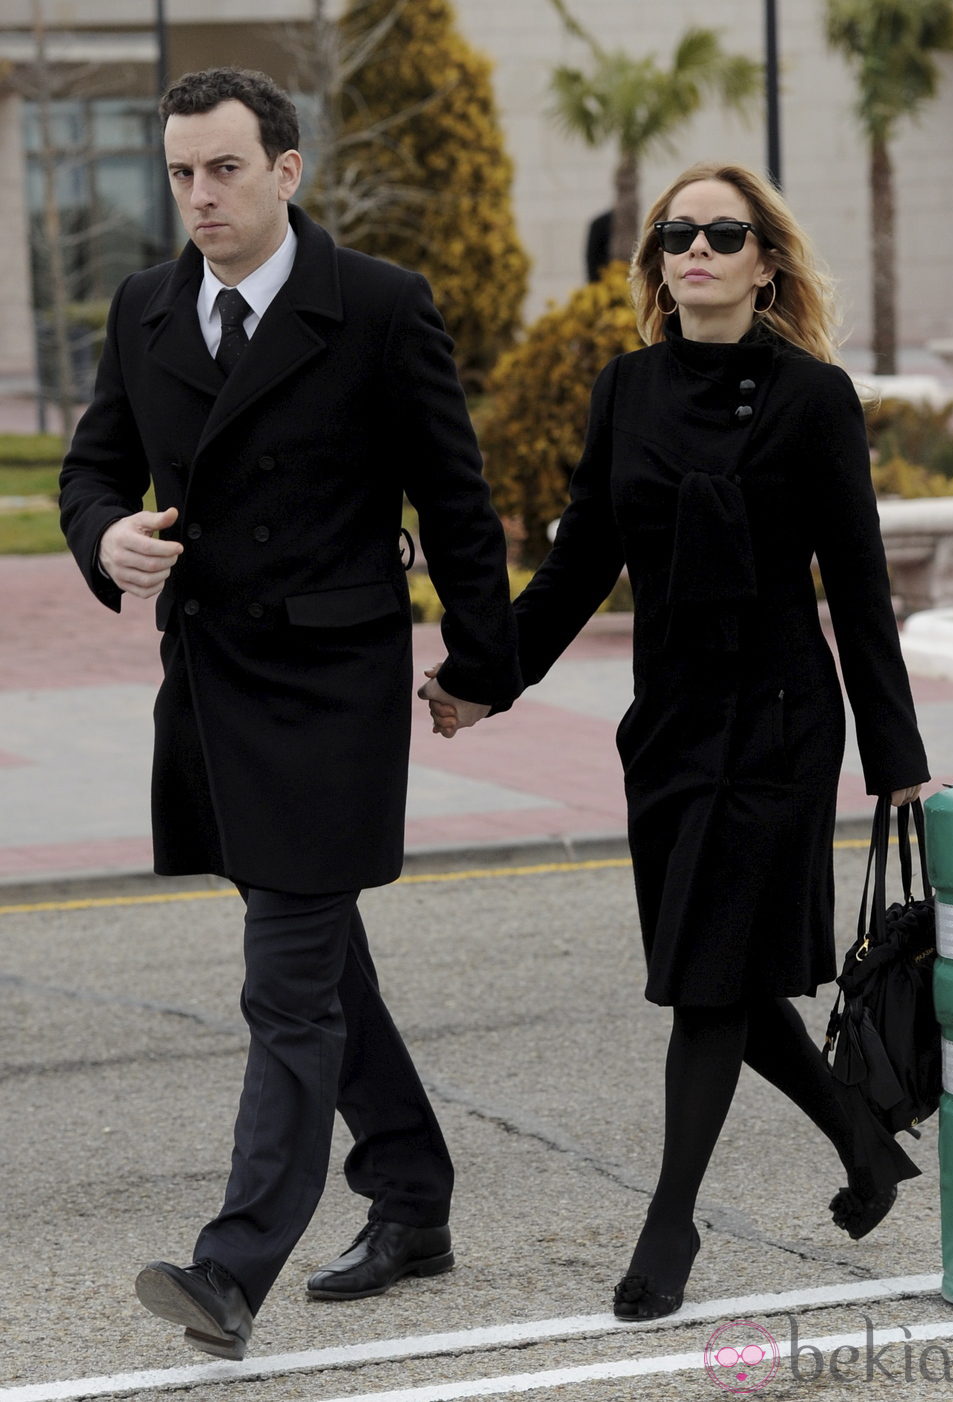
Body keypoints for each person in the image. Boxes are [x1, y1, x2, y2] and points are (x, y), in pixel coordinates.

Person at [59, 66, 519, 1362]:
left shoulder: (377, 308)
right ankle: (415, 1195)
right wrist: (109, 542)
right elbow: (91, 468)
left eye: (222, 169)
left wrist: (481, 664)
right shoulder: (145, 305)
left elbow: (460, 503)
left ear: (287, 169)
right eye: (179, 173)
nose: (198, 196)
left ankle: (232, 1263)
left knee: (286, 985)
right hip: (210, 688)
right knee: (315, 961)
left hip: (331, 694)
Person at [425, 161, 930, 1320]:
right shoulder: (624, 390)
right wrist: (478, 679)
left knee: (705, 981)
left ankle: (669, 1225)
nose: (692, 248)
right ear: (655, 262)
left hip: (776, 726)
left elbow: (856, 588)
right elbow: (577, 565)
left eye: (721, 232)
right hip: (665, 727)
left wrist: (893, 756)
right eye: (674, 234)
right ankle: (864, 1138)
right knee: (726, 974)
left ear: (765, 264)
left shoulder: (813, 399)